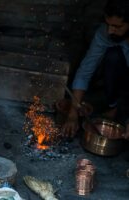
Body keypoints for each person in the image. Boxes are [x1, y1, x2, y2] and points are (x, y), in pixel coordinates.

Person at [62, 0, 129, 138]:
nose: (111, 30)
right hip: (121, 69)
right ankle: (114, 107)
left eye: (117, 26)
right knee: (113, 56)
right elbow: (85, 71)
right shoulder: (105, 32)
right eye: (108, 24)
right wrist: (73, 114)